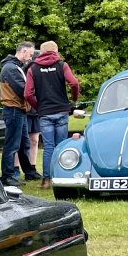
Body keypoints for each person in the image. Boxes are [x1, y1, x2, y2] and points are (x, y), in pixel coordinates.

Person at [24, 40, 81, 188]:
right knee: (61, 145)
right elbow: (74, 83)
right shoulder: (62, 65)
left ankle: (46, 180)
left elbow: (27, 94)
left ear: (41, 52)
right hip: (62, 110)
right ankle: (61, 177)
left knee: (48, 146)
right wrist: (74, 101)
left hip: (45, 113)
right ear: (55, 51)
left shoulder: (33, 69)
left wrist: (39, 107)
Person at [0, 41, 39, 187]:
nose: (31, 58)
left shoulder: (14, 67)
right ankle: (7, 176)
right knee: (12, 144)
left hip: (18, 110)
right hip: (13, 110)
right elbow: (23, 90)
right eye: (30, 54)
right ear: (23, 51)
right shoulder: (10, 68)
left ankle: (29, 172)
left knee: (24, 143)